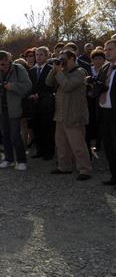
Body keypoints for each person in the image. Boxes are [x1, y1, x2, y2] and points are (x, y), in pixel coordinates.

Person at [45, 49, 92, 181]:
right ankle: (64, 166)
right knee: (61, 144)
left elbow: (67, 86)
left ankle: (85, 169)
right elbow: (48, 83)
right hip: (60, 114)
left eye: (64, 59)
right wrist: (54, 69)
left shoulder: (80, 72)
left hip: (74, 114)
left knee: (78, 145)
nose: (62, 62)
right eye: (60, 59)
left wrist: (59, 72)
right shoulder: (62, 72)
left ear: (72, 59)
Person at [0, 50, 32, 171]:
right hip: (1, 108)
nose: (2, 66)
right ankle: (8, 159)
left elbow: (28, 86)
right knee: (5, 135)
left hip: (14, 108)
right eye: (0, 64)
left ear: (9, 59)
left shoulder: (19, 69)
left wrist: (12, 86)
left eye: (5, 63)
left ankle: (22, 160)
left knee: (15, 135)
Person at [28, 46, 55, 160]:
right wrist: (31, 94)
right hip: (34, 103)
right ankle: (40, 150)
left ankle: (49, 152)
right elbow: (29, 86)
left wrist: (40, 94)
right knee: (36, 127)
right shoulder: (32, 70)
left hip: (46, 103)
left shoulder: (51, 69)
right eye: (37, 55)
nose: (38, 57)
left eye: (41, 54)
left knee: (47, 128)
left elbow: (52, 86)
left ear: (47, 56)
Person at [97, 40, 115, 186]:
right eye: (105, 49)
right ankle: (114, 176)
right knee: (108, 146)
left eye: (110, 49)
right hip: (104, 112)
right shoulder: (104, 68)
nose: (107, 52)